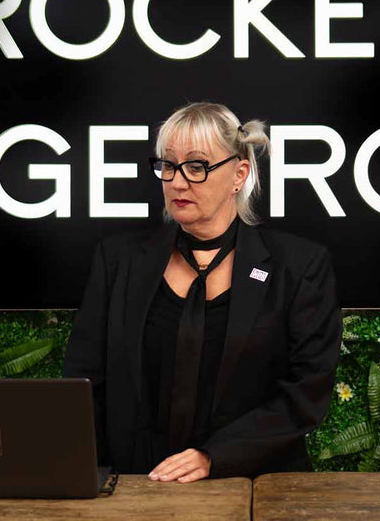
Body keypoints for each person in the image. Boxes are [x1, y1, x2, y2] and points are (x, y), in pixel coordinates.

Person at [62, 101, 343, 482]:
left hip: (253, 483)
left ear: (238, 175)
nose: (177, 182)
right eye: (168, 165)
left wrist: (215, 456)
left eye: (197, 166)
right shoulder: (118, 261)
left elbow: (305, 395)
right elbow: (84, 383)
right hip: (135, 484)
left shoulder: (299, 267)